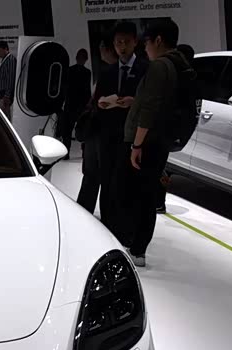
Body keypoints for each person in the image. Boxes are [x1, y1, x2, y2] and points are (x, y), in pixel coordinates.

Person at [118, 19, 188, 267]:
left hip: (148, 143)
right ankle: (137, 247)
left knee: (139, 196)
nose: (144, 47)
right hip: (160, 141)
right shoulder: (178, 63)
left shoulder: (160, 66)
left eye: (146, 42)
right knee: (146, 194)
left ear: (158, 40)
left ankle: (137, 248)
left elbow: (150, 109)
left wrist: (136, 145)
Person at [93, 21, 149, 235]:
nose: (122, 46)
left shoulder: (145, 69)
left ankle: (127, 229)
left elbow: (150, 102)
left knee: (128, 182)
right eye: (118, 43)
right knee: (107, 180)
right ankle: (107, 227)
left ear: (135, 42)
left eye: (126, 42)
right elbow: (97, 99)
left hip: (133, 135)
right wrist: (101, 104)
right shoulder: (107, 71)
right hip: (108, 134)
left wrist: (134, 102)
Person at [76, 37, 118, 214]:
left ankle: (90, 214)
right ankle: (89, 214)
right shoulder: (107, 72)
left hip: (103, 131)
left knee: (97, 176)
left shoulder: (113, 73)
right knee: (95, 176)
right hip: (97, 131)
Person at [155, 44, 195, 215]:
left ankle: (157, 202)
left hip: (164, 127)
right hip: (179, 129)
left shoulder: (173, 74)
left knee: (157, 166)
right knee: (161, 165)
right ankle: (158, 202)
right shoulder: (190, 75)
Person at [60, 49, 92, 153]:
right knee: (82, 129)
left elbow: (65, 88)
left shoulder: (69, 70)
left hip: (71, 103)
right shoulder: (87, 72)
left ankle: (66, 152)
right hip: (81, 105)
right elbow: (87, 90)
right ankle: (84, 152)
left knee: (68, 130)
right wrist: (89, 104)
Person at [0, 41, 17, 120]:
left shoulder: (10, 60)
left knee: (3, 118)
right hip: (1, 93)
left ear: (6, 49)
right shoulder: (6, 60)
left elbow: (10, 78)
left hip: (4, 94)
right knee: (2, 117)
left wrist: (7, 95)